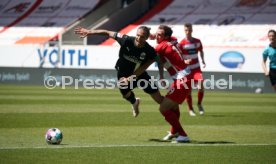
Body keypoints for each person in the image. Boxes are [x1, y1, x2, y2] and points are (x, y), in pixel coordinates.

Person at [74, 26, 164, 117]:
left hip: (140, 75)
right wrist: (90, 31)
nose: (139, 38)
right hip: (123, 74)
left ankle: (172, 105)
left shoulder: (149, 50)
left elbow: (158, 62)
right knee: (125, 95)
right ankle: (135, 102)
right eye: (138, 35)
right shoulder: (126, 40)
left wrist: (161, 76)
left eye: (142, 37)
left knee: (159, 100)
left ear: (147, 38)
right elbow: (107, 32)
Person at [154, 25, 192, 142]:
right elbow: (160, 61)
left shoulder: (161, 46)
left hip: (183, 79)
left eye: (159, 35)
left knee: (163, 108)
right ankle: (174, 132)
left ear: (166, 36)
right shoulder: (172, 40)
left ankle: (183, 134)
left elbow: (150, 55)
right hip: (184, 77)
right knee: (174, 107)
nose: (156, 36)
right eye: (156, 33)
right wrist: (161, 76)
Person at [179, 23, 206, 116]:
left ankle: (199, 104)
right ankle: (190, 108)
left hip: (196, 69)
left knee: (201, 85)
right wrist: (185, 61)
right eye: (186, 30)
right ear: (184, 31)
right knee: (188, 90)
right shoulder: (182, 43)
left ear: (192, 30)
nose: (188, 32)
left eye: (189, 30)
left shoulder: (197, 41)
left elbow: (201, 51)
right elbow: (180, 56)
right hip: (187, 70)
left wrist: (203, 60)